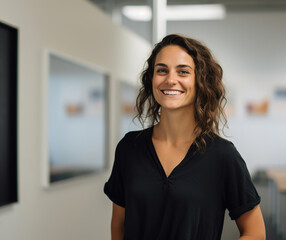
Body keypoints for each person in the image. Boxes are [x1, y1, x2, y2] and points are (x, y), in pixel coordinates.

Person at [104, 34, 266, 240]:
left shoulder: (222, 155)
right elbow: (118, 226)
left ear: (200, 81)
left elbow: (256, 233)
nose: (171, 80)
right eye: (162, 70)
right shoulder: (129, 147)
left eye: (183, 72)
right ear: (151, 79)